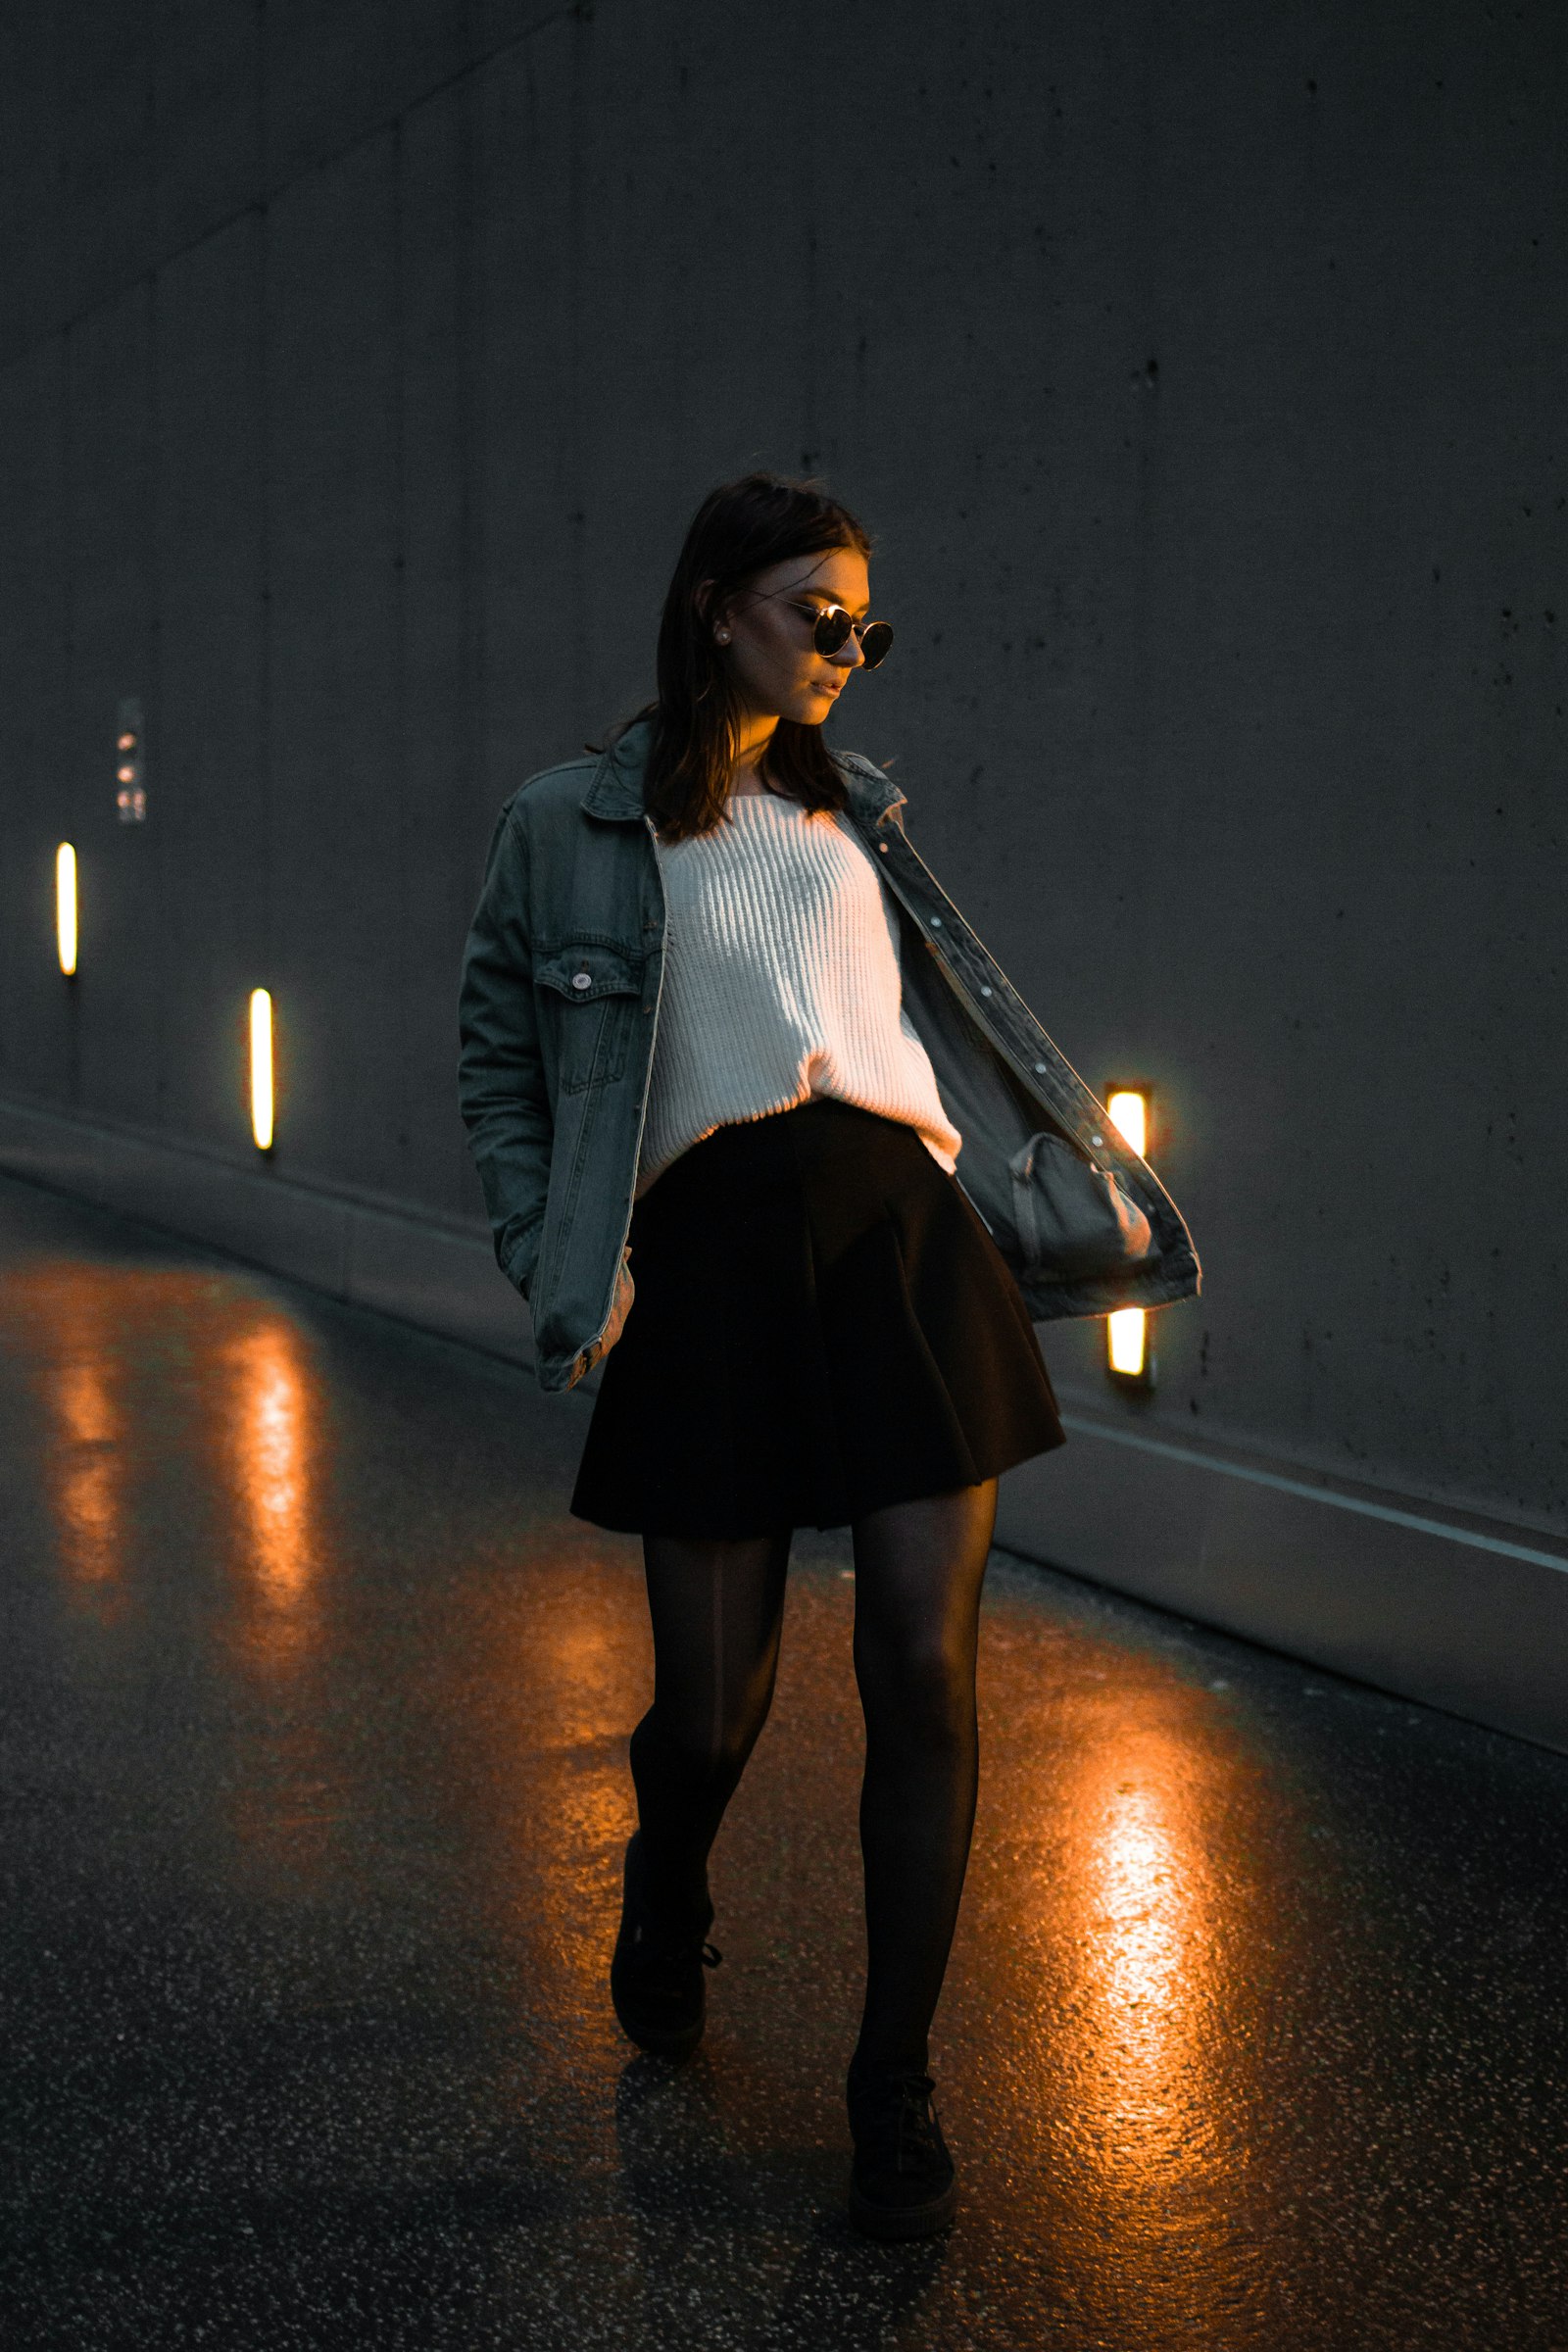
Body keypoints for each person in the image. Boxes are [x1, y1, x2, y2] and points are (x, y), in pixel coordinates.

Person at [458, 471, 1200, 2241]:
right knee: (716, 1710)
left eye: (868, 622)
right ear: (717, 602)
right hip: (708, 1265)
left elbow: (926, 1035)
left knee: (928, 1679)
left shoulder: (860, 813)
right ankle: (670, 1876)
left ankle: (894, 2084)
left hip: (901, 1244)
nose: (850, 650)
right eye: (821, 612)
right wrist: (552, 1251)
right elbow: (500, 1057)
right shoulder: (569, 823)